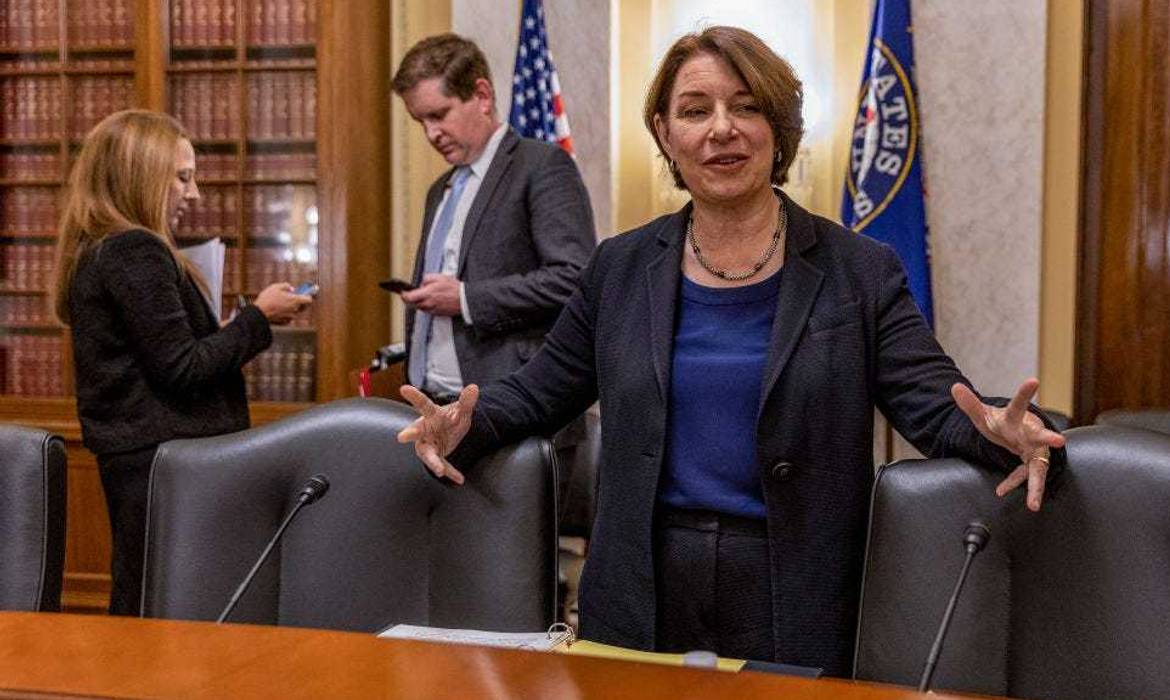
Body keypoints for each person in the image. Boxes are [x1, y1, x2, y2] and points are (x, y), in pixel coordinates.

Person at [396, 26, 1065, 675]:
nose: (721, 128)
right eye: (695, 110)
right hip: (641, 588)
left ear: (778, 128)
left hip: (798, 589)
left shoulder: (859, 271)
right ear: (664, 132)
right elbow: (539, 392)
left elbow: (938, 406)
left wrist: (1008, 429)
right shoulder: (618, 268)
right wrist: (464, 420)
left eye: (746, 107)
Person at [53, 109, 312, 615]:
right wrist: (258, 318)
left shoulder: (103, 249)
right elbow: (182, 369)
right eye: (183, 177)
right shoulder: (135, 249)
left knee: (147, 595)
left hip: (144, 460)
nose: (194, 195)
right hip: (163, 460)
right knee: (161, 606)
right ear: (141, 175)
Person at [390, 33, 596, 404]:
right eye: (420, 121)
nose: (431, 133)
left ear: (482, 96)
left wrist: (466, 298)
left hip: (511, 404)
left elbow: (573, 277)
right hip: (432, 404)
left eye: (438, 115)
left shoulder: (540, 166)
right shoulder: (440, 189)